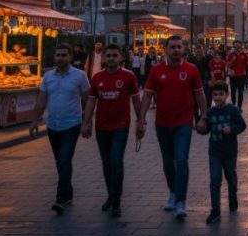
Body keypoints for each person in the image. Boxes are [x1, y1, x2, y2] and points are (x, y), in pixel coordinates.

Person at [137, 35, 208, 219]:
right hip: (162, 123)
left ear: (183, 49)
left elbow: (199, 95)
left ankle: (180, 201)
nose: (176, 50)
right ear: (166, 49)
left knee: (181, 160)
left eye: (179, 47)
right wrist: (141, 119)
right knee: (168, 162)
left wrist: (204, 117)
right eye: (173, 47)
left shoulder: (191, 70)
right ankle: (173, 192)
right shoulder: (156, 70)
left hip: (184, 123)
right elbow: (147, 96)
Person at [81, 44, 141, 217]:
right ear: (104, 58)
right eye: (109, 55)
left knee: (116, 161)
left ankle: (116, 200)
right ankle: (111, 195)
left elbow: (136, 100)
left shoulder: (128, 77)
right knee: (106, 163)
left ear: (121, 57)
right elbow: (91, 101)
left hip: (121, 125)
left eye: (115, 55)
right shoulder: (97, 77)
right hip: (101, 125)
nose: (112, 58)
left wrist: (140, 121)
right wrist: (86, 122)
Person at [30, 44, 90, 213]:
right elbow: (41, 100)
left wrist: (87, 121)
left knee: (64, 160)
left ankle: (60, 199)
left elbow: (88, 99)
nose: (61, 58)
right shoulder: (48, 76)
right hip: (53, 125)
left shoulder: (80, 76)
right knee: (60, 162)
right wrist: (35, 120)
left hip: (72, 125)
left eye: (64, 55)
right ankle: (68, 192)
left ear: (71, 57)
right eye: (58, 55)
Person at [204, 80, 247, 224]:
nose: (217, 97)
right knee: (215, 180)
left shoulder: (233, 110)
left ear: (227, 95)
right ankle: (215, 210)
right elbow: (207, 129)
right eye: (215, 95)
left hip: (229, 152)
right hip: (214, 152)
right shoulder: (210, 112)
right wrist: (200, 127)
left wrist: (232, 129)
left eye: (221, 94)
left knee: (231, 177)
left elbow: (242, 125)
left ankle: (232, 197)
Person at [188, 45, 213, 110]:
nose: (199, 53)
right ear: (195, 52)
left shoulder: (208, 58)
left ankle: (206, 113)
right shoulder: (191, 59)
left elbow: (211, 70)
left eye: (200, 51)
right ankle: (197, 117)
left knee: (207, 99)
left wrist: (211, 80)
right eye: (197, 51)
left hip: (205, 81)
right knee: (195, 102)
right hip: (194, 82)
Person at [227, 43, 247, 109]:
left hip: (241, 76)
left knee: (241, 92)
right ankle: (233, 104)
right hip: (233, 76)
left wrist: (245, 72)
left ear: (241, 47)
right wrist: (232, 60)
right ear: (234, 48)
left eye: (238, 47)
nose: (237, 48)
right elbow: (228, 65)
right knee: (233, 91)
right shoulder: (231, 55)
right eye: (236, 47)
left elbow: (246, 64)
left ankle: (239, 106)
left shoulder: (244, 55)